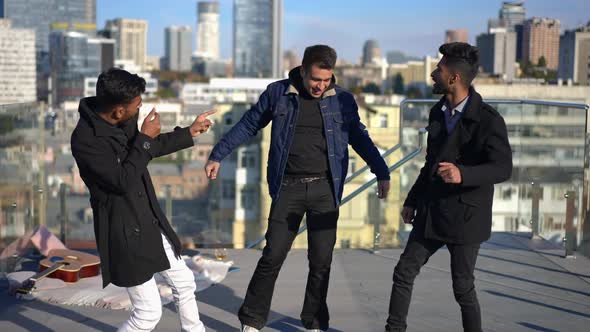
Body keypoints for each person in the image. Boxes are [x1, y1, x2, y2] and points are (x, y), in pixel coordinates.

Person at [205, 45, 391, 332]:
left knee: (321, 261)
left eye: (327, 80)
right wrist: (218, 154)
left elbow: (360, 137)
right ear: (302, 71)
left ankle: (315, 322)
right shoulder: (278, 93)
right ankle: (252, 321)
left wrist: (381, 170)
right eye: (316, 79)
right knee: (273, 255)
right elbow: (249, 124)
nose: (320, 86)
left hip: (325, 190)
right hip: (288, 188)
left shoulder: (342, 100)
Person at [71, 68, 215, 332]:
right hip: (123, 230)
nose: (141, 108)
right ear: (117, 111)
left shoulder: (122, 117)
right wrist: (146, 138)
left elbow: (146, 149)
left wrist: (190, 132)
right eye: (136, 105)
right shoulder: (86, 141)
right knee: (147, 314)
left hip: (148, 217)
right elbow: (121, 180)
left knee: (184, 282)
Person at [385, 42, 513, 332]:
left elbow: (503, 168)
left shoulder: (489, 121)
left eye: (439, 69)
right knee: (404, 271)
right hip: (432, 210)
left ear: (453, 78)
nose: (433, 73)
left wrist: (462, 174)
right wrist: (412, 200)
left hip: (467, 217)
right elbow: (431, 162)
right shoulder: (436, 113)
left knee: (462, 287)